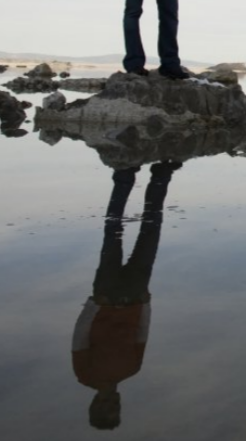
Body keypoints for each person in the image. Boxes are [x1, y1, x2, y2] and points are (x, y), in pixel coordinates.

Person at [71, 162, 180, 430]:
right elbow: (142, 333)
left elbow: (80, 337)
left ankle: (124, 176)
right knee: (151, 230)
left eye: (106, 407)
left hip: (106, 296)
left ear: (95, 404)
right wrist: (146, 302)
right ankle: (161, 175)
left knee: (113, 230)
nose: (111, 403)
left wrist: (94, 304)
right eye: (115, 408)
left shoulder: (85, 374)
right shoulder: (132, 369)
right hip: (134, 297)